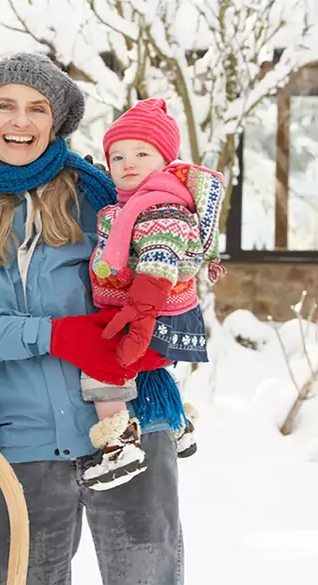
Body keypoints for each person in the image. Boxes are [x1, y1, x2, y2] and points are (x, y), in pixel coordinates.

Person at [0, 52, 184, 585]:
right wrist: (54, 335)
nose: (20, 121)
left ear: (56, 121)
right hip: (26, 444)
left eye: (37, 108)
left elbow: (168, 262)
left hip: (127, 427)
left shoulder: (103, 195)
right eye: (5, 106)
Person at [80, 97, 226, 490]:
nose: (128, 163)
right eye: (118, 156)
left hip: (151, 311)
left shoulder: (161, 207)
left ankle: (118, 445)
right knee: (147, 371)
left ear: (165, 161)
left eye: (142, 153)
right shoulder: (137, 203)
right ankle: (177, 424)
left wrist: (141, 319)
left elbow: (158, 263)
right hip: (160, 312)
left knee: (102, 364)